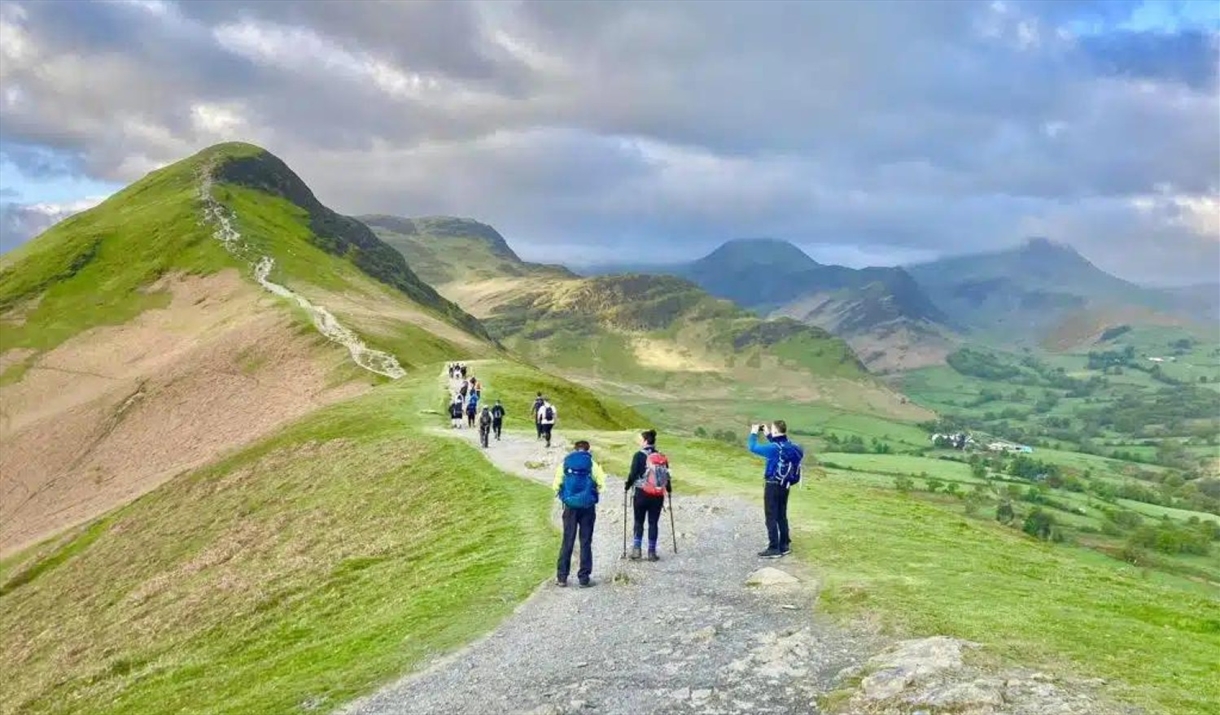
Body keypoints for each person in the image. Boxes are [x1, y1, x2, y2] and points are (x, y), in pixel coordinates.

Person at [747, 420, 805, 559]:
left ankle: (773, 548)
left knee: (771, 516)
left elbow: (753, 447)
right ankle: (784, 545)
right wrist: (769, 434)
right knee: (781, 514)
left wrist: (754, 432)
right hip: (785, 485)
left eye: (772, 430)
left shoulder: (773, 449)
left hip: (773, 484)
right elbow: (779, 444)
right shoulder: (793, 447)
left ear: (775, 431)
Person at [553, 440, 606, 588]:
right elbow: (602, 484)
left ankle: (562, 577)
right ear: (588, 450)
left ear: (575, 449)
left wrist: (565, 495)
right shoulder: (592, 464)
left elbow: (556, 484)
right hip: (588, 507)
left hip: (570, 507)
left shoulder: (566, 463)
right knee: (585, 541)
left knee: (567, 540)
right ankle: (584, 578)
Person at [623, 429, 671, 561]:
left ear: (645, 441)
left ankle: (637, 551)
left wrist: (627, 486)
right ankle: (651, 552)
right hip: (657, 495)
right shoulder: (661, 457)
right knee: (653, 523)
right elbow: (666, 476)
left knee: (639, 521)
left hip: (641, 494)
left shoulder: (638, 456)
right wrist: (669, 490)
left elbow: (633, 474)